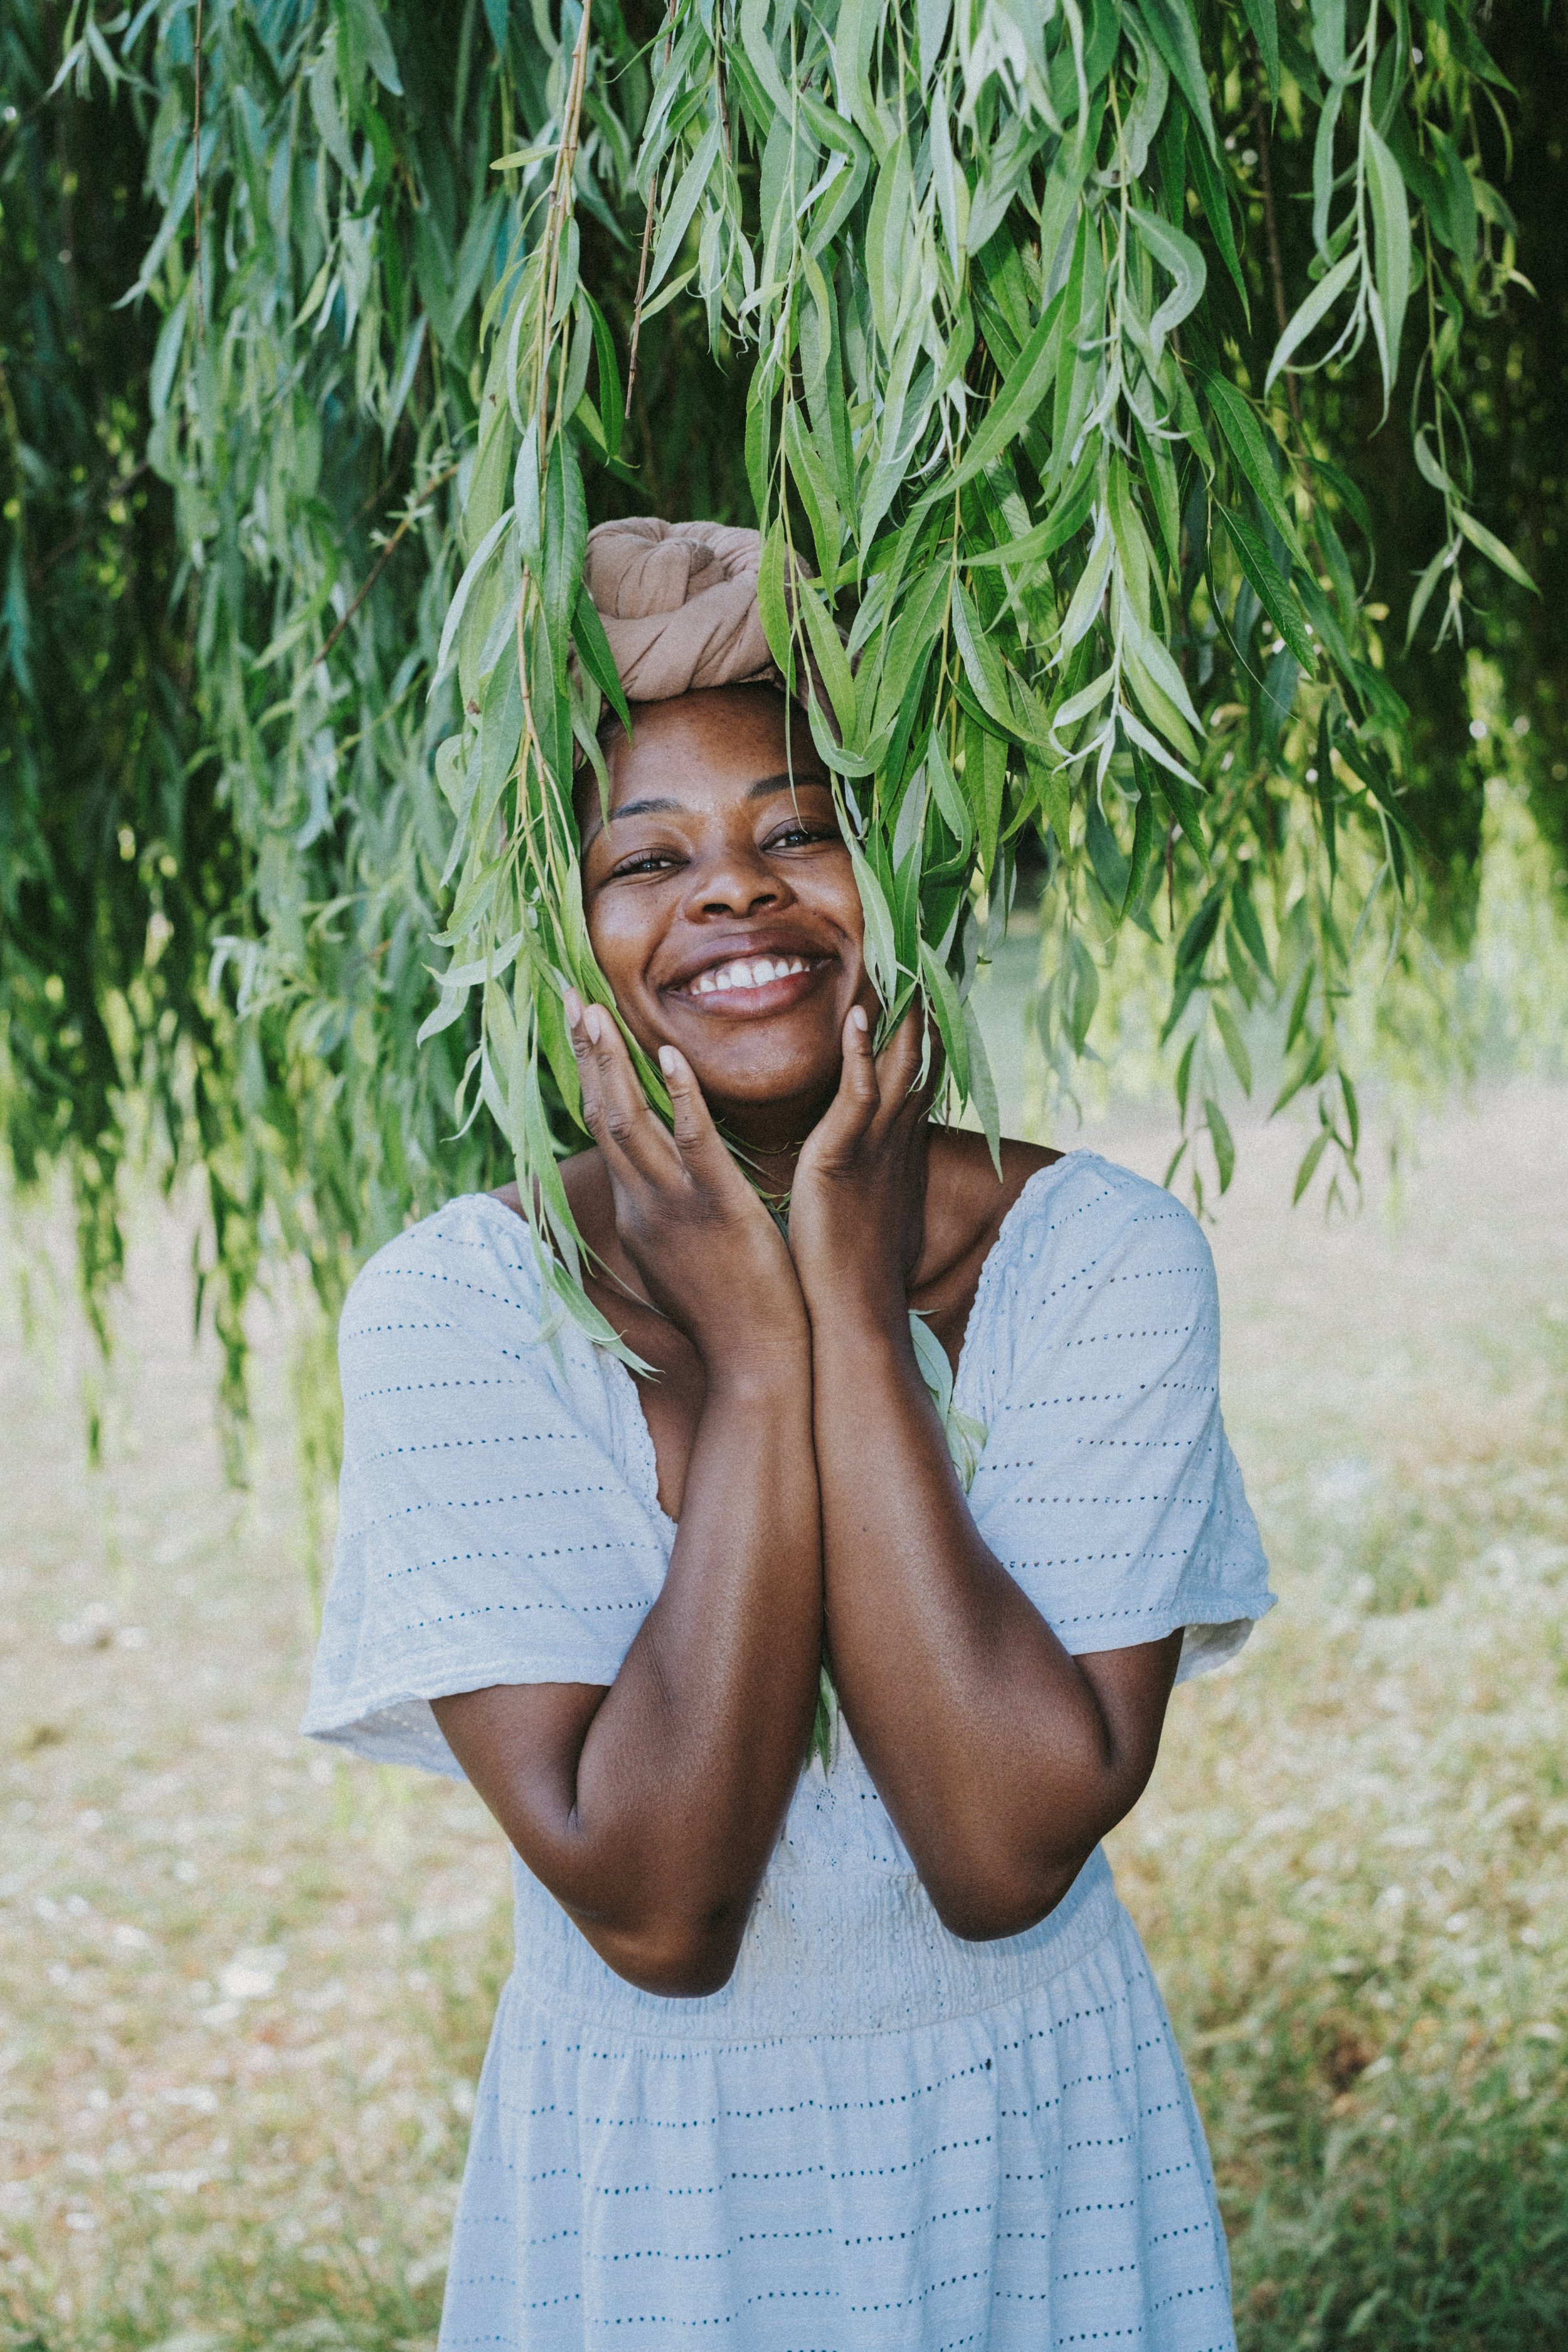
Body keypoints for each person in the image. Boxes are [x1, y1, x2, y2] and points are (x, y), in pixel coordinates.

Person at [304, 517, 1273, 2349]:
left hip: (1032, 2150)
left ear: (892, 872)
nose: (734, 897)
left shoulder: (1097, 1264)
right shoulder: (452, 1312)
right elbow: (660, 1911)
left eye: (797, 833)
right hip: (657, 2189)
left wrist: (836, 1309)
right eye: (642, 857)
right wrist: (759, 1368)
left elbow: (999, 1857)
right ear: (558, 931)